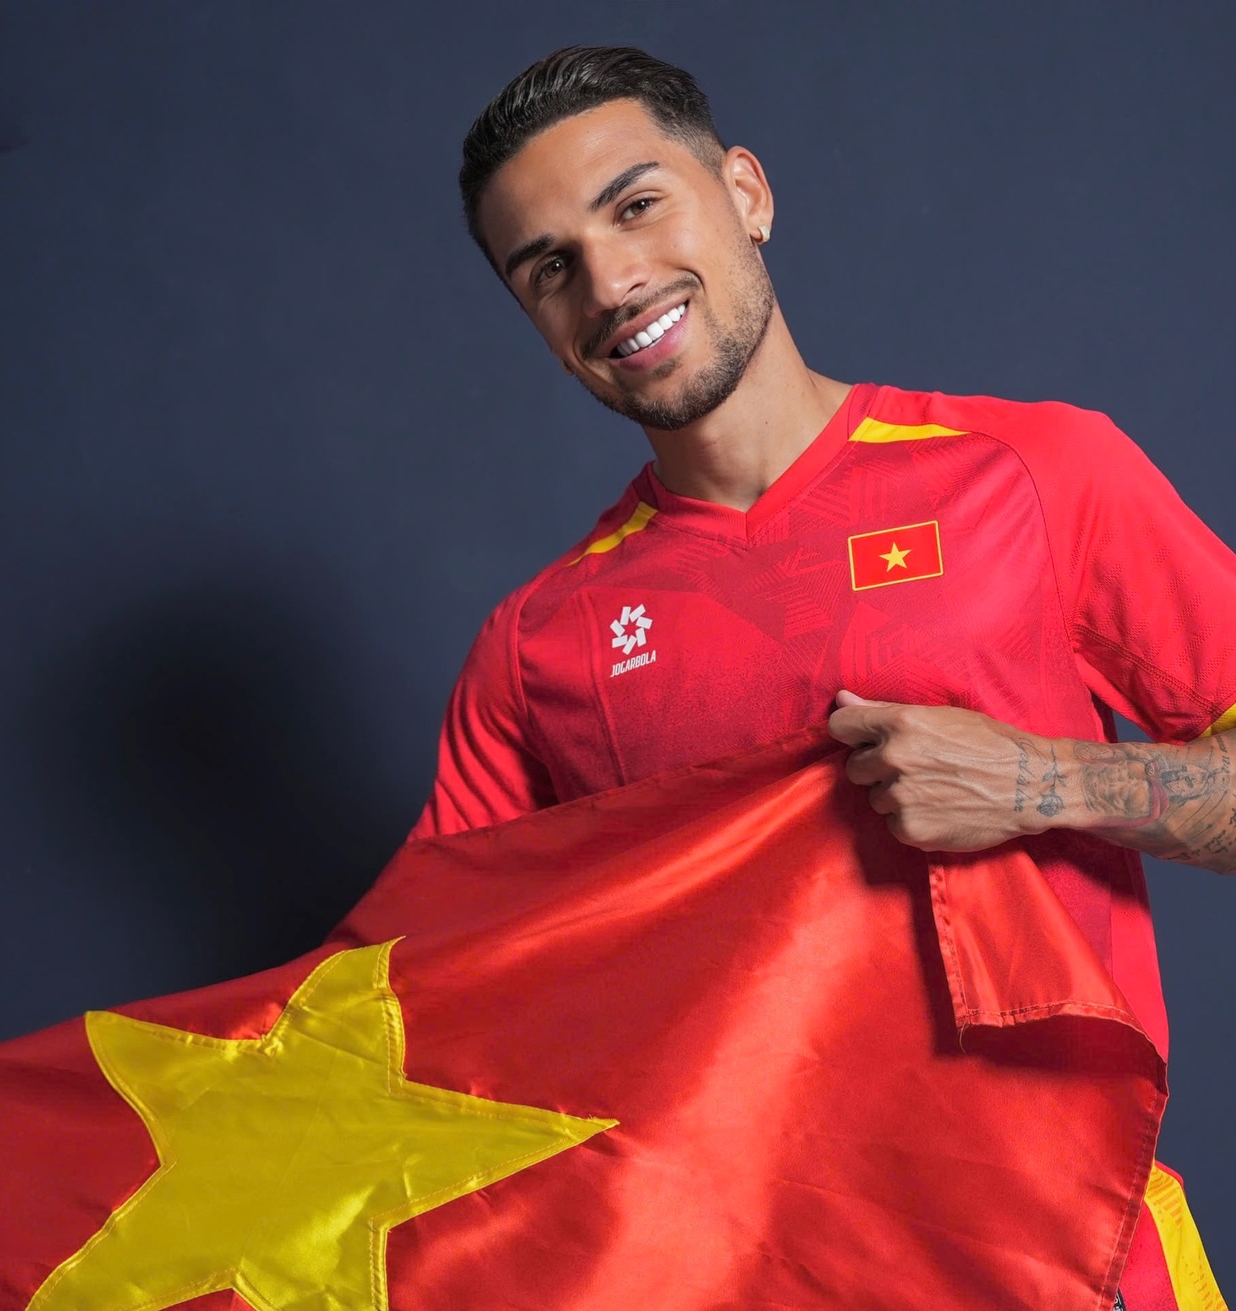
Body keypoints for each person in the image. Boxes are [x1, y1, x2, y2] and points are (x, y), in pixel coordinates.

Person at [411, 45, 1235, 1302]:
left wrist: (1047, 782)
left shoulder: (1033, 472)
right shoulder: (538, 648)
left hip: (1068, 1263)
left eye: (638, 206)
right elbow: (430, 1026)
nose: (612, 282)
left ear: (746, 193)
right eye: (550, 268)